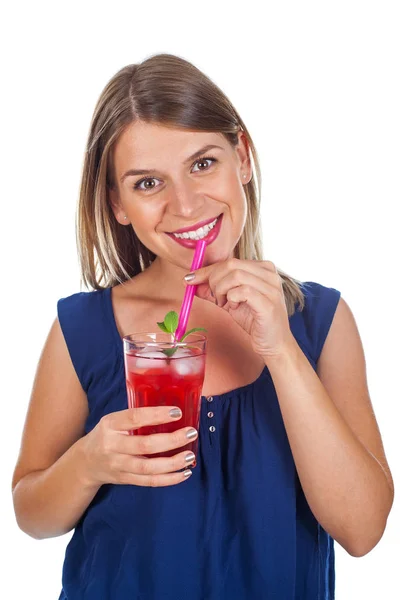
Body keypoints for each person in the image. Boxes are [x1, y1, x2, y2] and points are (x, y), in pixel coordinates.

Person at [12, 53, 394, 600]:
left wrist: (281, 351)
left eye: (202, 164)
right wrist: (89, 462)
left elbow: (363, 531)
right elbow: (32, 513)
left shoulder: (319, 323)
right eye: (148, 183)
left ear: (242, 156)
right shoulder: (83, 331)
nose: (185, 204)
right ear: (117, 203)